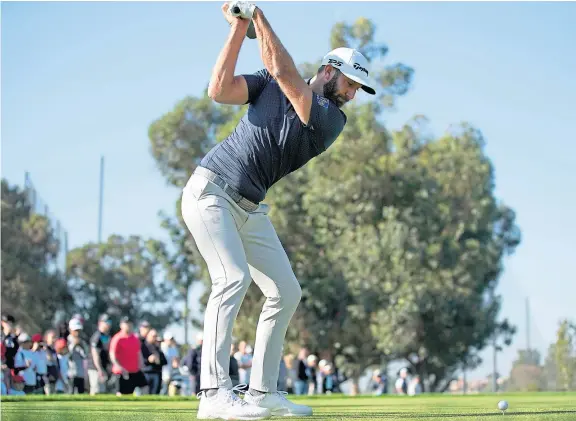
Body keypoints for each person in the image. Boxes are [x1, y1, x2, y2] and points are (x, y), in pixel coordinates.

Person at [180, 2, 376, 419]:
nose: (353, 93)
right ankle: (214, 394)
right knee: (231, 279)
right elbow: (219, 90)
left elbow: (286, 73)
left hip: (249, 209)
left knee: (286, 291)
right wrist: (238, 28)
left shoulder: (329, 119)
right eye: (350, 83)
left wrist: (257, 16)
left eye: (357, 88)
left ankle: (262, 392)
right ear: (328, 71)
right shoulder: (269, 82)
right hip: (210, 192)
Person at [109, 317, 148, 396]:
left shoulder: (135, 338)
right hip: (122, 372)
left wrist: (141, 364)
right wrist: (119, 366)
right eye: (126, 323)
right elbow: (112, 354)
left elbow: (138, 352)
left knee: (145, 387)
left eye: (129, 323)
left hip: (135, 370)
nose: (128, 325)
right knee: (122, 394)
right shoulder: (118, 338)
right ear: (121, 325)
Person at [87, 314, 112, 395]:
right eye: (106, 322)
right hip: (95, 368)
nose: (108, 324)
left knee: (102, 391)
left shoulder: (107, 336)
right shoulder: (97, 337)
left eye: (109, 322)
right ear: (100, 323)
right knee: (96, 390)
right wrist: (99, 369)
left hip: (103, 368)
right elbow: (95, 355)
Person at [141, 329, 167, 394]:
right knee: (145, 393)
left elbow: (165, 361)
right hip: (146, 373)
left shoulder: (157, 347)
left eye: (155, 336)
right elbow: (140, 359)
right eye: (153, 336)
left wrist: (158, 360)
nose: (155, 338)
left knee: (155, 393)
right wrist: (148, 359)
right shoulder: (143, 346)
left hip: (156, 373)